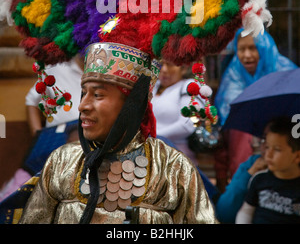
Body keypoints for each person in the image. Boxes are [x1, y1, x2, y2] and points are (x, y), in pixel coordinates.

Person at [18, 43, 218, 224]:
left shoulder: (174, 166)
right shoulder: (61, 161)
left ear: (131, 105)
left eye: (97, 95)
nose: (82, 106)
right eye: (84, 93)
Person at [214, 29, 297, 191]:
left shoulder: (284, 70)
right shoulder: (233, 76)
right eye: (241, 49)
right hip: (244, 156)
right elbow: (228, 118)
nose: (246, 55)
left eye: (253, 48)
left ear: (264, 48)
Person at [0, 57, 83, 202]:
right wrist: (38, 134)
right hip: (55, 143)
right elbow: (31, 101)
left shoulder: (106, 69)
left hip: (90, 145)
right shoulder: (57, 68)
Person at [235, 116, 300, 224]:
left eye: (277, 149)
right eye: (267, 147)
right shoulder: (259, 179)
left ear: (297, 156)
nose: (268, 154)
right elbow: (246, 212)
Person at [152, 59, 203, 164]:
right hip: (150, 152)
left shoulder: (190, 86)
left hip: (177, 156)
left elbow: (187, 125)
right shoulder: (153, 86)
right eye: (161, 64)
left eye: (170, 65)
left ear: (183, 68)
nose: (164, 70)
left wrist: (153, 136)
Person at [215, 137, 267, 223]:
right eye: (264, 142)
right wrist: (250, 173)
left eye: (277, 148)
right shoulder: (253, 163)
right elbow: (224, 213)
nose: (269, 154)